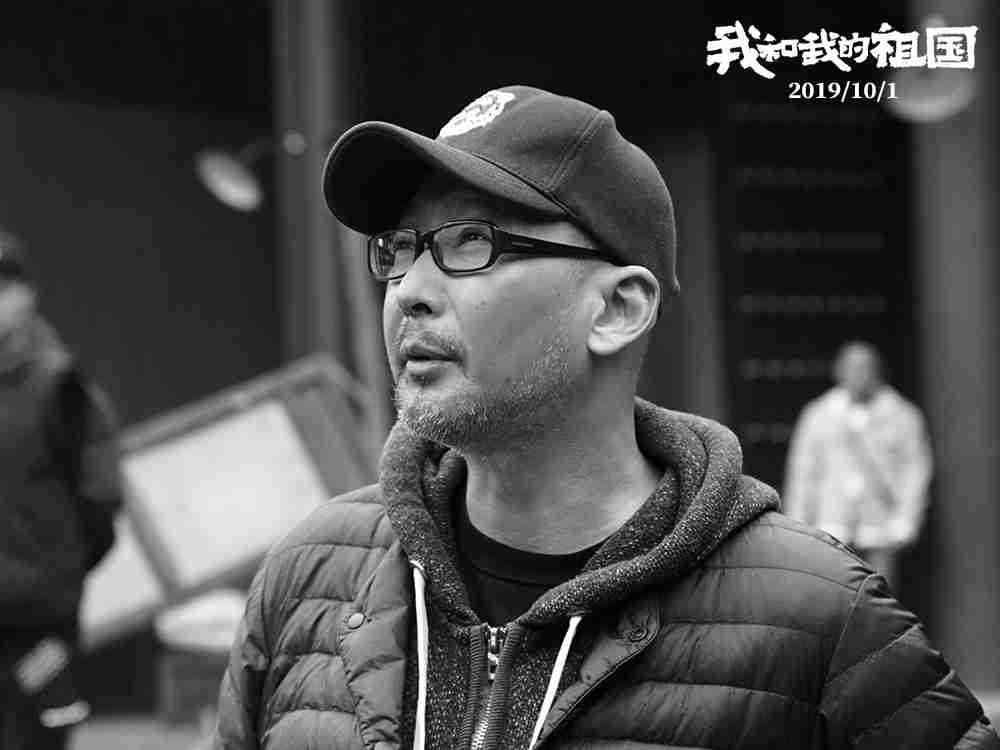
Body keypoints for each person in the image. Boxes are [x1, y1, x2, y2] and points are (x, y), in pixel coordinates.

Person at [214, 87, 998, 749]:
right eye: (399, 248)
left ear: (618, 309)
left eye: (470, 242)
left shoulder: (819, 622)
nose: (409, 291)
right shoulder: (308, 579)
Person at [0, 230, 124, 750]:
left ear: (24, 294)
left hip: (40, 621)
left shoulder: (60, 386)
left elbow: (101, 497)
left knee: (42, 734)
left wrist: (58, 573)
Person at [783, 341, 933, 588]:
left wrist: (907, 518)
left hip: (880, 523)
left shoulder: (902, 415)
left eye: (865, 368)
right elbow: (803, 472)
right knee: (833, 594)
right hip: (832, 522)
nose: (858, 375)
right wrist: (798, 523)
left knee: (879, 596)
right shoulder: (818, 414)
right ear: (839, 372)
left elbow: (915, 470)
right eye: (852, 368)